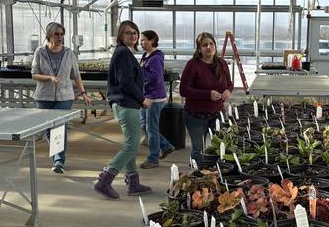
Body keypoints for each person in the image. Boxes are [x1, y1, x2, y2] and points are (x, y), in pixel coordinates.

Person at [93, 20, 152, 199]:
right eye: (128, 33)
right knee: (132, 146)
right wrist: (142, 99)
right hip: (127, 104)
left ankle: (133, 183)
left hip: (124, 103)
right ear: (121, 35)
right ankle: (105, 179)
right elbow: (125, 82)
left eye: (135, 33)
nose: (133, 36)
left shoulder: (124, 53)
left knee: (130, 143)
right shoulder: (123, 54)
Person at [31, 22, 90, 174]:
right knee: (48, 129)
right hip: (44, 96)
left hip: (64, 96)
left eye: (62, 34)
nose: (60, 37)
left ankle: (58, 161)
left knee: (60, 127)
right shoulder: (40, 52)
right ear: (49, 35)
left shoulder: (69, 53)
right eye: (56, 34)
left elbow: (76, 75)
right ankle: (57, 153)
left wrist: (83, 93)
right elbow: (34, 74)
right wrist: (49, 78)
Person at [179, 32, 233, 162]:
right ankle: (197, 177)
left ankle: (216, 175)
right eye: (204, 45)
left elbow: (230, 84)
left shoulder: (222, 63)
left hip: (218, 114)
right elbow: (184, 90)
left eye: (211, 44)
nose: (209, 47)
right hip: (196, 116)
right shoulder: (192, 65)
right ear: (199, 49)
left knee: (220, 146)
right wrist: (207, 94)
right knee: (199, 150)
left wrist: (228, 91)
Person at [139, 30, 176, 169]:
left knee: (151, 129)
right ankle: (166, 146)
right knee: (144, 124)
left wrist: (140, 70)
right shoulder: (146, 55)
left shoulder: (155, 58)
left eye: (144, 40)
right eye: (141, 40)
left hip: (154, 98)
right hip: (145, 96)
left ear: (152, 40)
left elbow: (155, 78)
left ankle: (153, 159)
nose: (141, 43)